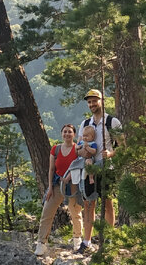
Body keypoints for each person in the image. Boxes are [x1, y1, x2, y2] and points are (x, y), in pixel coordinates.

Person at [78, 89, 122, 244]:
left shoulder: (112, 122)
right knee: (89, 204)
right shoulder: (85, 124)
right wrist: (84, 153)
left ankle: (109, 239)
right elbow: (78, 148)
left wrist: (110, 154)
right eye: (89, 102)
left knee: (107, 203)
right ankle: (86, 242)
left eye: (94, 101)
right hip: (89, 169)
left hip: (106, 168)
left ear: (102, 101)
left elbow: (123, 146)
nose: (92, 104)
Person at [34, 125, 83, 256]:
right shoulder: (55, 149)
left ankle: (77, 238)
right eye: (65, 131)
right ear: (61, 133)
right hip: (57, 184)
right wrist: (50, 187)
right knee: (47, 212)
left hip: (73, 185)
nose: (67, 134)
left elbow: (79, 166)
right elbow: (51, 169)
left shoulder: (77, 149)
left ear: (74, 134)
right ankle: (41, 243)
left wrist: (69, 178)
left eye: (70, 132)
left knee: (75, 212)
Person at [61, 124, 98, 252]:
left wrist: (87, 148)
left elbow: (93, 152)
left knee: (88, 164)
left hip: (88, 162)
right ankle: (67, 178)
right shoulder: (81, 142)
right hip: (80, 162)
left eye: (88, 136)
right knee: (74, 166)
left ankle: (91, 177)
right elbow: (77, 150)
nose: (86, 138)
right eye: (84, 136)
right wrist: (80, 148)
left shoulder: (93, 144)